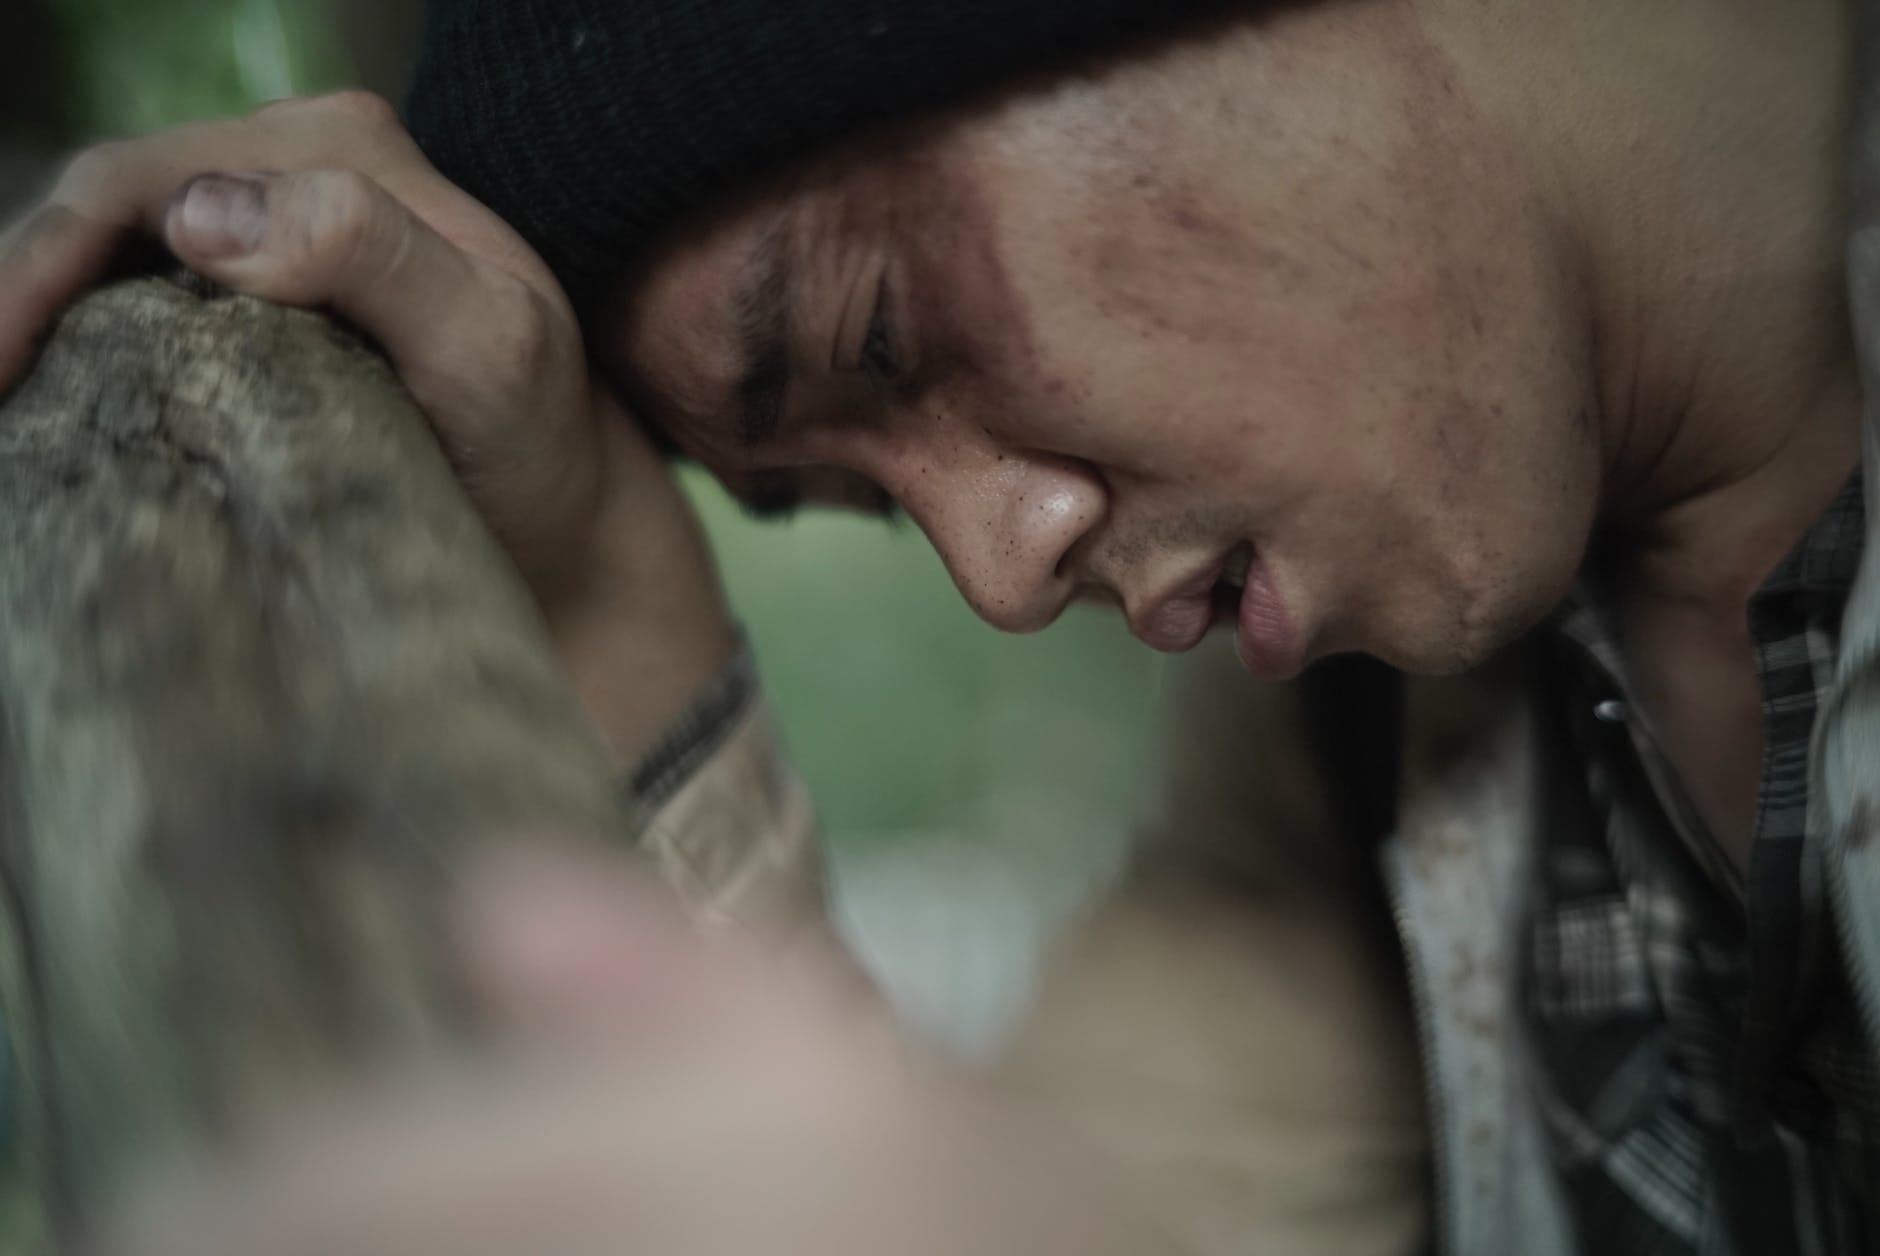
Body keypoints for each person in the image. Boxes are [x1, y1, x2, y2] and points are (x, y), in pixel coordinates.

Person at [0, 0, 1874, 1251]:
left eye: (887, 339)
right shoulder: (1353, 737)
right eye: (867, 503)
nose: (1001, 565)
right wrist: (604, 588)